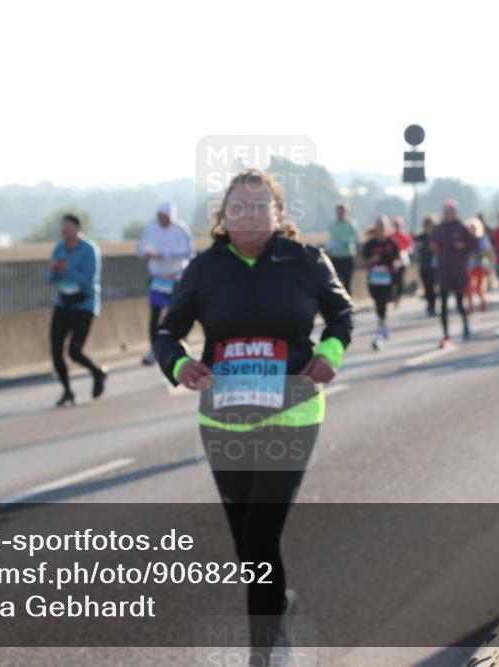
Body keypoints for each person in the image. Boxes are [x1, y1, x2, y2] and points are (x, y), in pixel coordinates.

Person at [154, 169, 352, 666]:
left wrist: (330, 352)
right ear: (223, 216)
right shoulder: (205, 269)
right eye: (238, 206)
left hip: (293, 412)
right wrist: (180, 365)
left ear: (278, 214)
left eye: (260, 205)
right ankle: (280, 606)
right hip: (224, 420)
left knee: (262, 536)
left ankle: (264, 654)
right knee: (247, 545)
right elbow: (167, 332)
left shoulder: (304, 261)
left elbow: (342, 314)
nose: (249, 214)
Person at [46, 213, 107, 406]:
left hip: (84, 306)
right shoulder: (59, 248)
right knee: (56, 349)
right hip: (64, 304)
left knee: (74, 351)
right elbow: (49, 279)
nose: (64, 232)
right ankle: (67, 391)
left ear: (77, 230)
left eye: (68, 228)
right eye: (62, 228)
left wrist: (66, 269)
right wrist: (55, 271)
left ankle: (97, 372)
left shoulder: (89, 250)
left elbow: (89, 280)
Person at [136, 201, 195, 365]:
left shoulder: (181, 229)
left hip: (176, 278)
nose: (161, 220)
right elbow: (140, 250)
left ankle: (182, 346)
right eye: (159, 217)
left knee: (176, 315)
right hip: (157, 278)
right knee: (155, 316)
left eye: (165, 217)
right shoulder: (151, 229)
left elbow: (190, 253)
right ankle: (154, 350)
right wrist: (148, 255)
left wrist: (167, 255)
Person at [430, 199, 475, 347]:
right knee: (442, 304)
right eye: (445, 211)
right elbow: (433, 245)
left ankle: (466, 325)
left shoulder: (462, 228)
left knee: (459, 302)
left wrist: (463, 245)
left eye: (450, 211)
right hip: (444, 271)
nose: (448, 214)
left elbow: (473, 244)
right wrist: (434, 248)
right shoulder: (439, 229)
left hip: (459, 271)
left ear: (455, 212)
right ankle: (445, 334)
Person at [361, 216, 402, 349]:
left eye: (383, 226)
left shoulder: (392, 243)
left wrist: (395, 264)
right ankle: (383, 325)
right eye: (379, 226)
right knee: (377, 300)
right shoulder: (370, 244)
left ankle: (380, 329)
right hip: (373, 278)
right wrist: (372, 260)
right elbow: (363, 262)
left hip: (386, 278)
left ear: (387, 228)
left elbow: (398, 259)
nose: (381, 229)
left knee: (382, 302)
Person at [326, 202, 360, 295]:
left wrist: (346, 241)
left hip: (347, 256)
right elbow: (330, 239)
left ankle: (349, 305)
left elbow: (357, 238)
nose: (340, 214)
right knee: (337, 283)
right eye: (338, 212)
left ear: (346, 212)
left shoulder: (351, 224)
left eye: (342, 212)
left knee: (347, 283)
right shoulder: (332, 225)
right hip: (335, 257)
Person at [465, 217, 494, 313]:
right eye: (470, 227)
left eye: (473, 227)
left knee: (478, 286)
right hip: (469, 265)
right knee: (468, 286)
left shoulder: (482, 238)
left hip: (480, 264)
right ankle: (470, 307)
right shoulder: (466, 239)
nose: (471, 229)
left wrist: (489, 263)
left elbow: (487, 251)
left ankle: (483, 302)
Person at [414, 214, 439, 316]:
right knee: (427, 287)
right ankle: (430, 306)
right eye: (428, 224)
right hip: (425, 265)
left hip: (435, 265)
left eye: (431, 224)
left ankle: (433, 305)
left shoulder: (437, 236)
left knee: (434, 287)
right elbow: (416, 248)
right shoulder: (420, 237)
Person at [388, 216, 413, 309]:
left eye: (398, 225)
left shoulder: (405, 235)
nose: (397, 226)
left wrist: (405, 250)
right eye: (396, 225)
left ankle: (398, 296)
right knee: (392, 279)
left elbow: (410, 246)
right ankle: (391, 296)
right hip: (393, 259)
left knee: (400, 279)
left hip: (402, 258)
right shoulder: (391, 235)